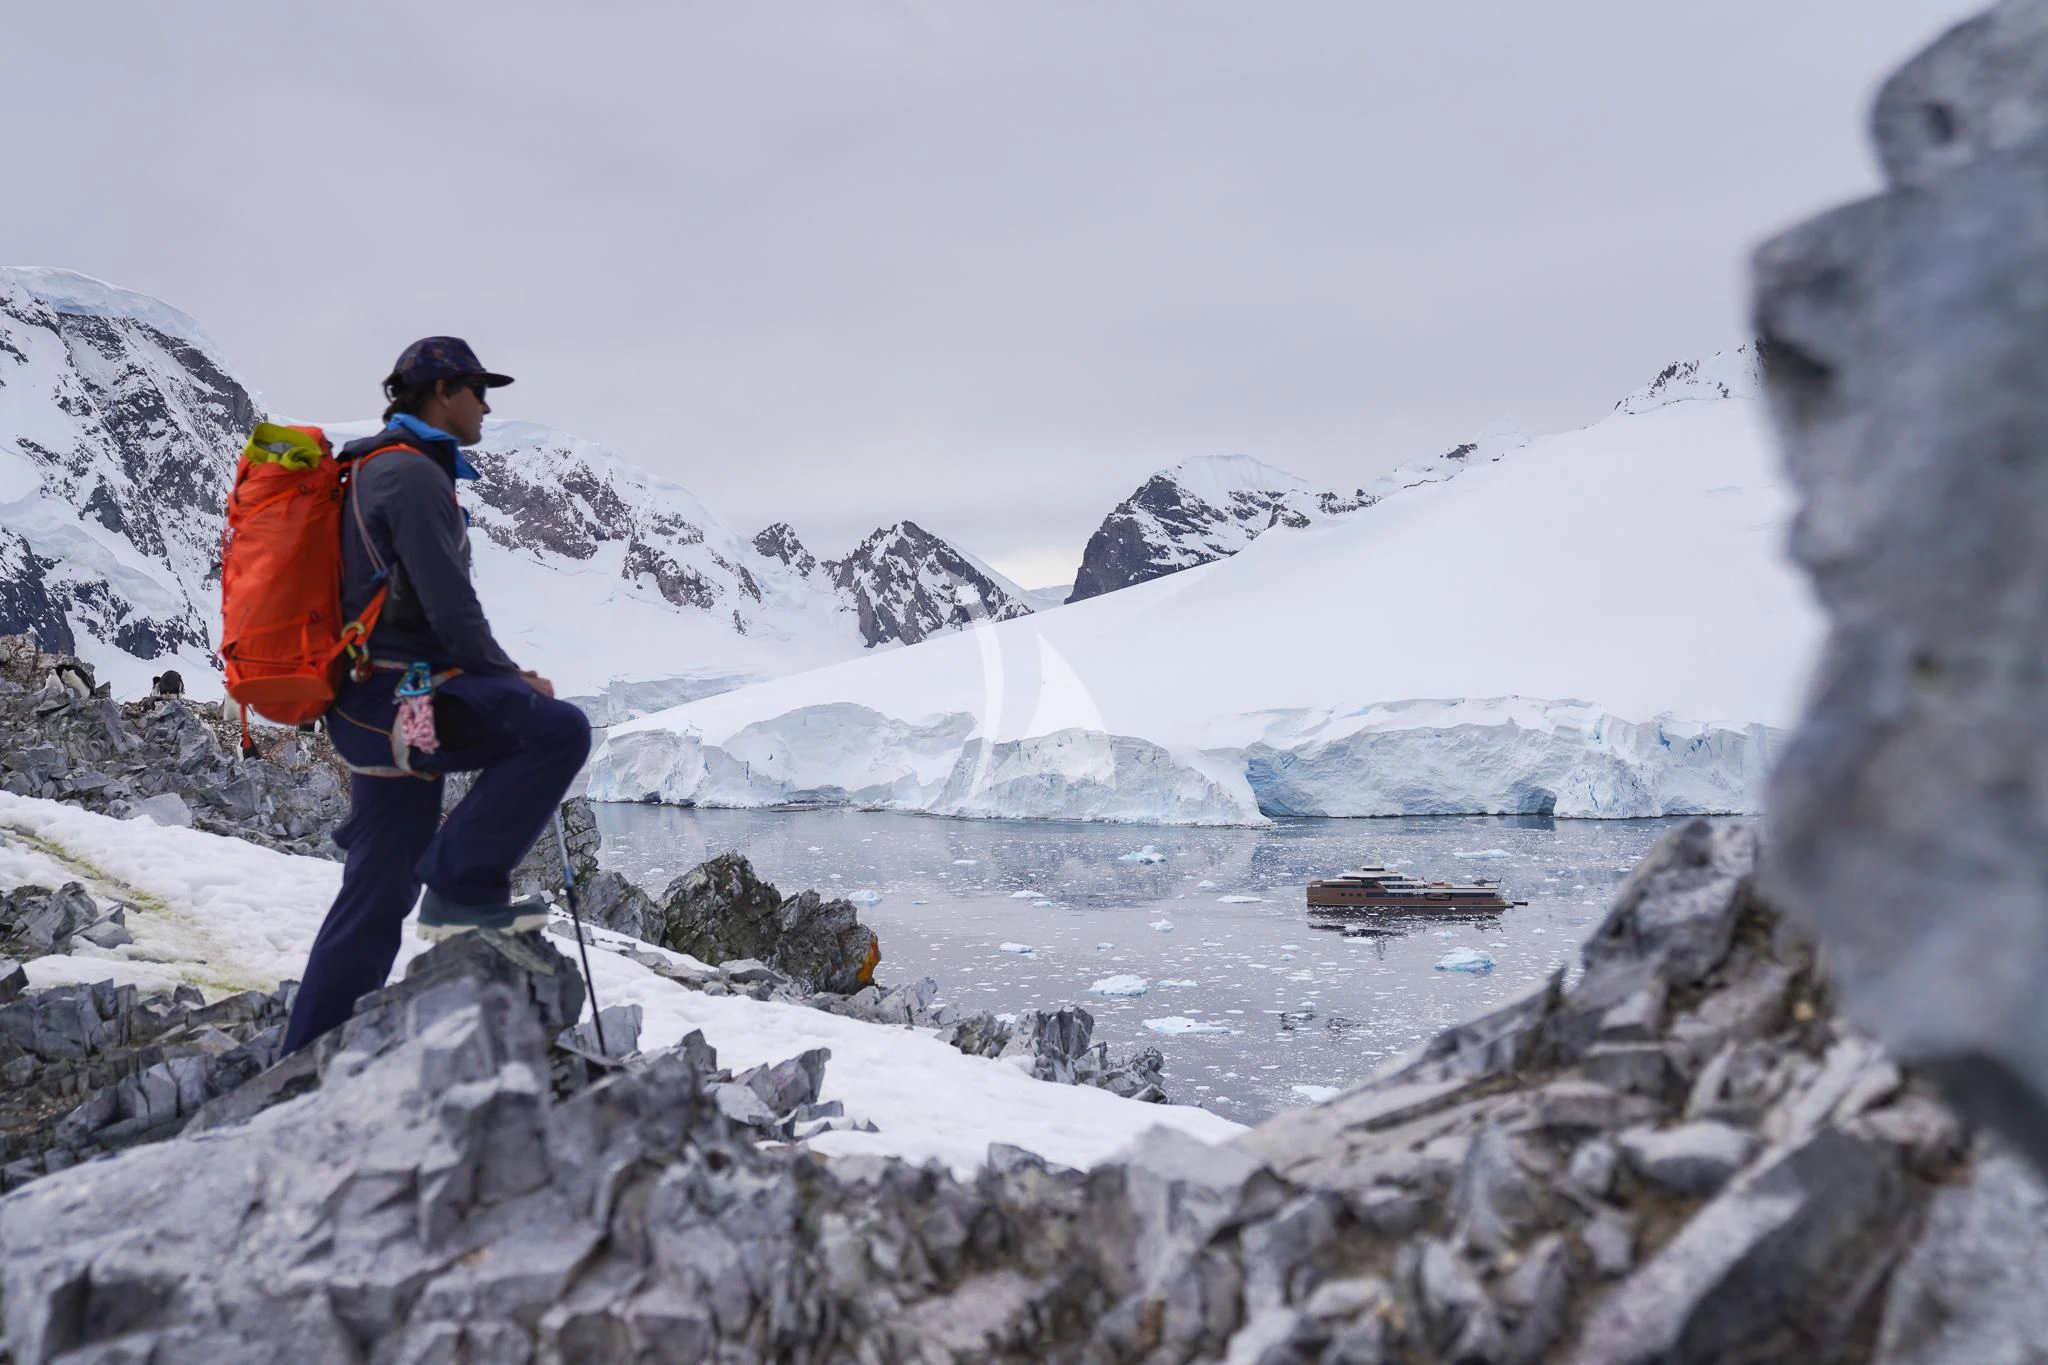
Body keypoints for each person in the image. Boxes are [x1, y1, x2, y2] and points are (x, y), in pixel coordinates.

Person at [281, 337, 591, 1055]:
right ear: (442, 392)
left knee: (377, 890)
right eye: (479, 390)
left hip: (365, 704)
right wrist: (512, 677)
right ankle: (463, 886)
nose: (487, 405)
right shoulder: (414, 477)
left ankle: (302, 1060)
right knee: (558, 730)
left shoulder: (373, 468)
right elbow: (450, 610)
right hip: (400, 703)